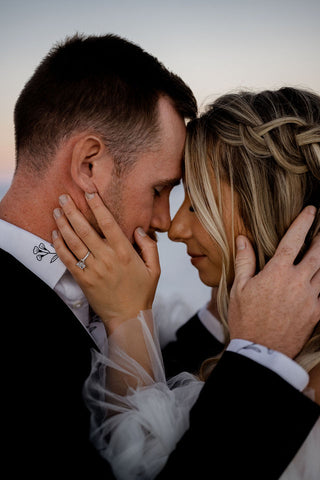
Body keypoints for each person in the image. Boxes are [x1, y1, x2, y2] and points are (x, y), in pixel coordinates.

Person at [0, 30, 318, 478]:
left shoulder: (106, 282)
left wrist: (224, 313)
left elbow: (169, 401)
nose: (167, 222)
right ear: (89, 164)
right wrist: (260, 362)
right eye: (160, 189)